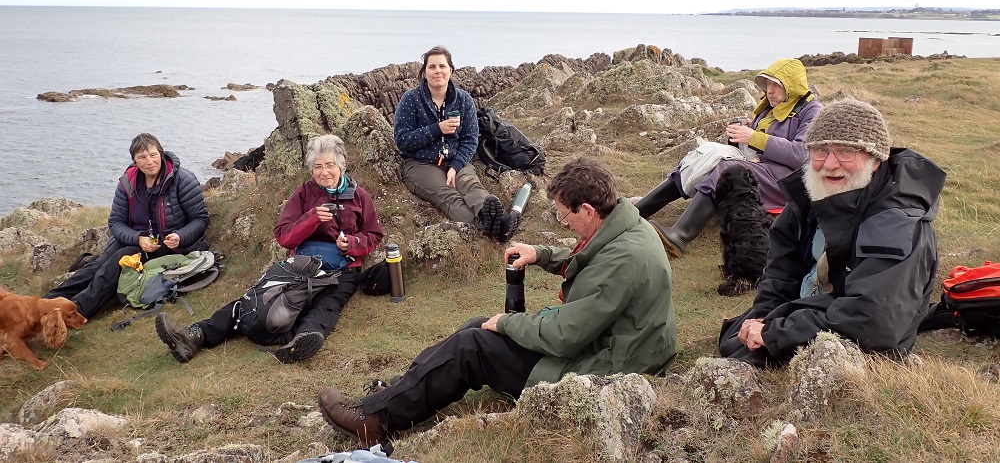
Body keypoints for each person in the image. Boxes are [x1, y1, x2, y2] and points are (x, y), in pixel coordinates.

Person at [316, 157, 677, 447]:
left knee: (474, 345)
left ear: (587, 209)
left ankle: (377, 421)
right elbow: (593, 257)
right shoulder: (625, 226)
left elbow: (566, 335)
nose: (563, 223)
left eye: (563, 214)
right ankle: (393, 394)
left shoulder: (623, 259)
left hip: (607, 368)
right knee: (476, 326)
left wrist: (506, 323)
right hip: (621, 346)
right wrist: (542, 253)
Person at [719, 98, 945, 367]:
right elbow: (781, 270)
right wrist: (765, 315)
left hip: (866, 333)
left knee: (748, 355)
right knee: (736, 339)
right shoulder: (812, 193)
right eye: (820, 150)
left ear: (874, 160)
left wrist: (774, 332)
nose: (830, 163)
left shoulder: (897, 220)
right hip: (811, 310)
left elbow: (874, 320)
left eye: (846, 152)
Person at [155, 135, 384, 364]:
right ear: (311, 169)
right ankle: (194, 335)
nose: (324, 172)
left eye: (330, 165)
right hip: (302, 264)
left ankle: (302, 341)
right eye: (318, 167)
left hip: (344, 270)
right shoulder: (304, 193)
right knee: (258, 296)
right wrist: (311, 218)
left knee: (327, 304)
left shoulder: (359, 196)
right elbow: (284, 236)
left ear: (342, 165)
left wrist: (352, 244)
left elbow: (374, 234)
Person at [634, 58, 823, 257]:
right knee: (700, 156)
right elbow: (765, 139)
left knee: (726, 169)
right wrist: (744, 133)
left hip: (787, 180)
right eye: (768, 84)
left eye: (776, 84)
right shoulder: (772, 107)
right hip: (761, 166)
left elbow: (802, 155)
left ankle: (680, 235)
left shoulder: (812, 111)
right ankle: (636, 213)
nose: (770, 90)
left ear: (792, 85)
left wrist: (754, 137)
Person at [44, 133, 209, 318]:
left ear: (161, 154)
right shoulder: (127, 183)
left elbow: (201, 219)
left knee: (119, 261)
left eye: (153, 155)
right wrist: (138, 238)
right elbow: (116, 222)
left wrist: (180, 236)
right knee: (97, 265)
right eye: (142, 157)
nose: (149, 161)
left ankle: (74, 312)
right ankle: (45, 303)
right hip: (137, 239)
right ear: (135, 161)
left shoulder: (182, 180)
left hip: (170, 246)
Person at [393, 45, 516, 242]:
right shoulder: (411, 99)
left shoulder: (464, 99)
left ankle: (492, 216)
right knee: (449, 196)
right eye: (432, 67)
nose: (437, 71)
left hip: (455, 160)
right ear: (424, 72)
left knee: (471, 187)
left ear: (451, 70)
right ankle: (488, 229)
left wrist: (456, 167)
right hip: (420, 164)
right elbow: (402, 140)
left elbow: (470, 139)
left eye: (442, 66)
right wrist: (437, 129)